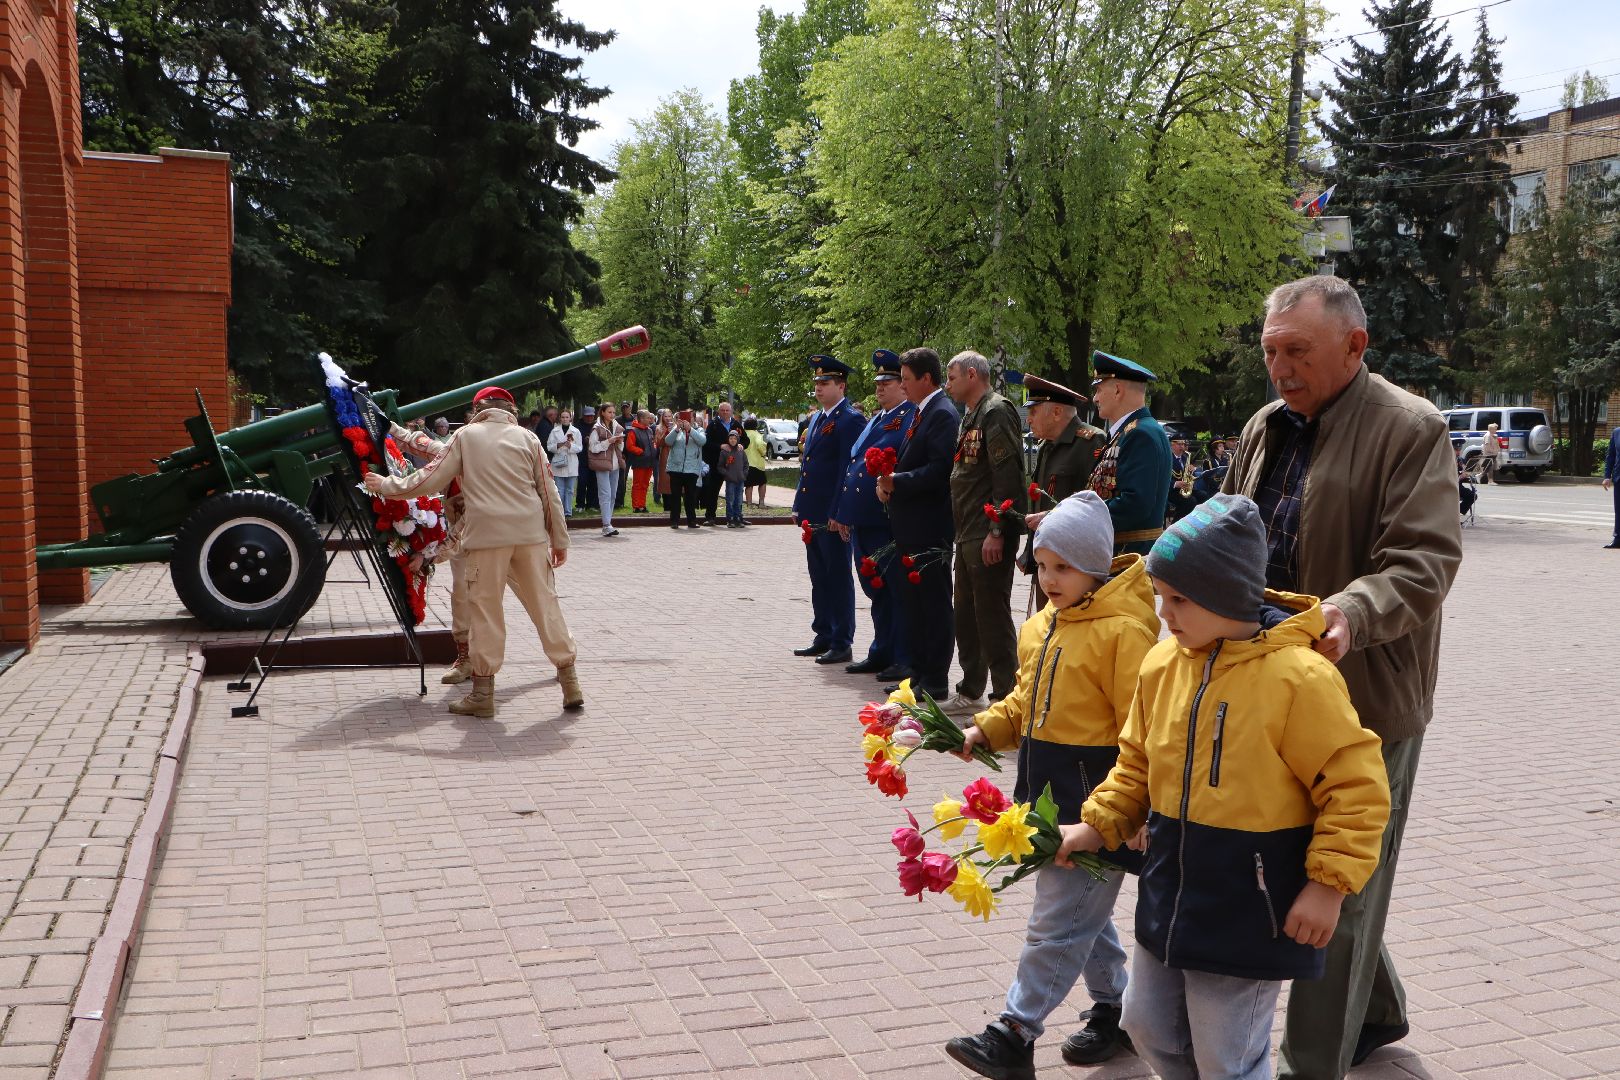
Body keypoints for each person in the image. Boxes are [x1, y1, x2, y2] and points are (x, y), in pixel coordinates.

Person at [1056, 494, 1391, 1080]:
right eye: (1161, 597)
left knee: (1228, 1055)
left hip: (1251, 903)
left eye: (1180, 599)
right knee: (1147, 1024)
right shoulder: (1163, 665)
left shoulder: (1300, 678)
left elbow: (1355, 787)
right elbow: (1135, 760)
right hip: (1171, 889)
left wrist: (1328, 887)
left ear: (1228, 593)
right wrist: (1099, 823)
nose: (1165, 614)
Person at [1222, 274, 1461, 1078]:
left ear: (1355, 347)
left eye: (1297, 351)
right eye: (1270, 352)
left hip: (1365, 696)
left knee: (1343, 881)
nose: (1280, 369)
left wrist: (1349, 613)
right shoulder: (1264, 425)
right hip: (1275, 688)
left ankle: (1309, 1064)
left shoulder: (1410, 428)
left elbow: (1424, 561)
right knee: (1319, 876)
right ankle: (1378, 1010)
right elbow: (1228, 529)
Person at [944, 492, 1159, 1079]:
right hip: (1044, 791)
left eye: (1064, 567)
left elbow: (1142, 730)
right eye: (1042, 565)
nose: (1049, 578)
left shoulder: (1124, 634)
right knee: (1082, 915)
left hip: (1101, 801)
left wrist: (1136, 810)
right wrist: (989, 727)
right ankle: (1118, 1012)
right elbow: (1024, 699)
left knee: (1058, 919)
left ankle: (1015, 1030)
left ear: (1096, 566)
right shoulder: (1043, 624)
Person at [363, 386, 583, 714]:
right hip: (530, 536)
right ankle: (569, 682)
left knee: (486, 614)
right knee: (545, 605)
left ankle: (483, 695)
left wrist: (388, 487)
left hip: (486, 538)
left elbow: (431, 477)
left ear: (477, 408)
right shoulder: (528, 438)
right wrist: (559, 541)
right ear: (510, 408)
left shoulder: (466, 436)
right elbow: (548, 491)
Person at [943, 350, 1026, 715]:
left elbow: (1006, 477)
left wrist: (998, 529)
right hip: (968, 532)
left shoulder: (996, 410)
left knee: (991, 616)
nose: (948, 384)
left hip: (987, 532)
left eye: (952, 377)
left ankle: (1005, 697)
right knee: (966, 614)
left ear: (973, 375)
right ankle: (971, 688)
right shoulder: (971, 416)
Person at [875, 347, 960, 701]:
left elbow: (941, 471)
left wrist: (898, 480)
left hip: (930, 528)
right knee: (915, 605)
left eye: (907, 379)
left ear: (927, 378)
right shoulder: (923, 412)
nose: (903, 386)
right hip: (911, 527)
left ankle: (935, 678)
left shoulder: (942, 414)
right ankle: (919, 673)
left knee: (933, 605)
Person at [828, 349, 917, 681]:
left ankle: (900, 654)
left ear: (904, 385)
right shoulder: (880, 418)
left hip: (884, 518)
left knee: (894, 589)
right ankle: (881, 650)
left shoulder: (907, 417)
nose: (880, 388)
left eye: (888, 382)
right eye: (878, 382)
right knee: (875, 588)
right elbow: (855, 465)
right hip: (864, 518)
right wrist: (845, 512)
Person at [791, 356, 863, 664]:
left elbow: (848, 471)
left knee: (836, 575)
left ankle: (841, 639)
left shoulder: (849, 419)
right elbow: (808, 467)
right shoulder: (818, 418)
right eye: (817, 383)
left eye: (825, 383)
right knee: (819, 575)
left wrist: (839, 512)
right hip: (813, 512)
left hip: (831, 514)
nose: (819, 388)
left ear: (841, 386)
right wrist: (798, 504)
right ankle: (823, 632)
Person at [1018, 374, 1105, 611]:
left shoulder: (1090, 442)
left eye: (1034, 412)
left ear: (1056, 412)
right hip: (1047, 562)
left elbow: (1096, 505)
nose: (1029, 420)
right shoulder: (1047, 446)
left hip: (1074, 567)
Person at [1074, 351, 1173, 556]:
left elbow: (1134, 504)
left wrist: (1075, 516)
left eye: (1099, 390)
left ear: (1117, 390)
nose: (1095, 398)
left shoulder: (1140, 434)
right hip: (1121, 554)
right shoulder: (1131, 431)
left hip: (1127, 559)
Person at [663, 409, 705, 530]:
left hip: (691, 468)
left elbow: (702, 441)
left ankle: (691, 521)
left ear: (693, 419)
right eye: (684, 418)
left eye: (689, 418)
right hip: (675, 468)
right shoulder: (675, 429)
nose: (687, 420)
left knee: (690, 496)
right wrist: (677, 429)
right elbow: (668, 441)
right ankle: (674, 521)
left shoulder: (699, 430)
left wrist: (690, 430)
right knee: (675, 496)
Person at [587, 403, 625, 537]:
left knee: (613, 495)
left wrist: (620, 442)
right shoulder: (596, 428)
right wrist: (608, 441)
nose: (612, 415)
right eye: (609, 412)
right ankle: (606, 525)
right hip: (602, 465)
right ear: (602, 412)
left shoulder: (617, 427)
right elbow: (593, 448)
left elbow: (621, 448)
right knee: (605, 494)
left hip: (615, 464)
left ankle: (608, 523)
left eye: (614, 412)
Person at [702, 401, 741, 525]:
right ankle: (710, 517)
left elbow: (746, 440)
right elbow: (706, 443)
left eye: (727, 410)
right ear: (718, 411)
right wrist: (720, 446)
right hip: (717, 464)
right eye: (722, 410)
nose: (725, 412)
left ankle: (737, 517)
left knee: (736, 492)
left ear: (731, 412)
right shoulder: (713, 425)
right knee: (713, 491)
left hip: (734, 465)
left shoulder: (736, 424)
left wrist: (740, 445)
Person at [546, 408, 582, 516]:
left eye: (567, 417)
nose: (565, 419)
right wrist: (558, 445)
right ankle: (560, 511)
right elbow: (549, 446)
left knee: (570, 489)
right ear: (560, 418)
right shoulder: (554, 431)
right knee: (559, 489)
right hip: (559, 462)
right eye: (563, 417)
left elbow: (580, 448)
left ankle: (568, 511)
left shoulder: (576, 431)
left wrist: (571, 446)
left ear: (570, 418)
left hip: (571, 462)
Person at [625, 410, 659, 514]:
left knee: (645, 485)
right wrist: (641, 452)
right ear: (642, 419)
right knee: (637, 485)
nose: (650, 420)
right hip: (639, 462)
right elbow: (629, 446)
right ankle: (636, 506)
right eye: (648, 418)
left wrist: (654, 449)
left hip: (649, 462)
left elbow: (653, 443)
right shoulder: (633, 431)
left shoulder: (649, 430)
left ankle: (642, 505)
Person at [717, 428, 751, 528]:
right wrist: (726, 474)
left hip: (740, 480)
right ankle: (730, 519)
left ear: (738, 440)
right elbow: (720, 466)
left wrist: (744, 474)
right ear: (728, 439)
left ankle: (738, 518)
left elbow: (746, 464)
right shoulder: (724, 452)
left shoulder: (741, 451)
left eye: (734, 438)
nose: (732, 440)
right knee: (730, 500)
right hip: (730, 480)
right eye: (731, 438)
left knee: (739, 500)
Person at [1165, 435, 1197, 523]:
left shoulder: (1185, 457)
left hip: (1184, 488)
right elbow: (1162, 478)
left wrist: (1192, 470)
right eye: (1179, 444)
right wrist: (1175, 484)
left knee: (1203, 495)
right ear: (1172, 445)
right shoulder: (1167, 459)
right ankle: (1175, 523)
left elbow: (1189, 475)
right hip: (1171, 490)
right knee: (1190, 501)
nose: (1182, 447)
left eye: (1183, 444)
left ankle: (1193, 523)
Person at [742, 417, 770, 509]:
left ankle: (749, 504)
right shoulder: (757, 434)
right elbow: (759, 444)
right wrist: (763, 452)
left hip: (746, 463)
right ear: (755, 426)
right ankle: (761, 503)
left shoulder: (743, 434)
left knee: (749, 484)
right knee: (762, 482)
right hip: (757, 463)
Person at [575, 406, 598, 511]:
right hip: (582, 458)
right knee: (582, 481)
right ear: (583, 416)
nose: (589, 418)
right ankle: (580, 504)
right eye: (587, 416)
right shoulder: (578, 427)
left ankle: (591, 504)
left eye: (591, 416)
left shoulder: (597, 426)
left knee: (593, 482)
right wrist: (584, 440)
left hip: (594, 458)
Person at [1605, 426, 1620, 548]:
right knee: (1619, 510)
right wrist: (1607, 476)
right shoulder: (1616, 432)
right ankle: (1618, 538)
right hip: (1619, 477)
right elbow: (1611, 455)